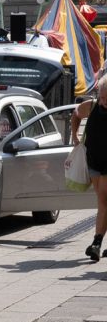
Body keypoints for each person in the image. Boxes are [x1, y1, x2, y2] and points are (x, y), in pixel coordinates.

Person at [72, 77, 107, 261]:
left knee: (103, 201)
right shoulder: (92, 106)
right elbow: (76, 114)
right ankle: (98, 243)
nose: (104, 102)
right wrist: (75, 137)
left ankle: (97, 243)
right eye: (102, 98)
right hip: (93, 162)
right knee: (103, 201)